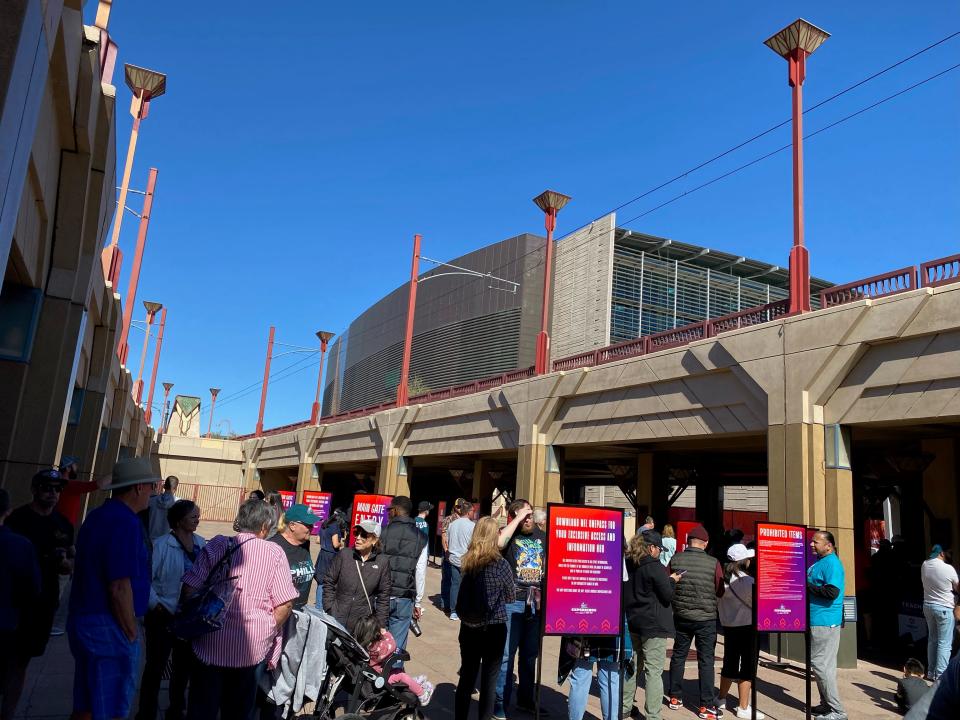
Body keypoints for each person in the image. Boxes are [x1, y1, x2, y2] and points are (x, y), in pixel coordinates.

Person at [183, 499, 298, 720]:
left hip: (209, 643)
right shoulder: (274, 553)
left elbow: (189, 588)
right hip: (252, 650)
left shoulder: (218, 544)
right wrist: (267, 629)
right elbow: (285, 604)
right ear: (265, 526)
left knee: (201, 709)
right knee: (238, 712)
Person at [67, 456, 155, 720]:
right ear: (138, 487)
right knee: (111, 706)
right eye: (151, 486)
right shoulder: (125, 522)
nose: (153, 492)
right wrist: (130, 631)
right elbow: (119, 586)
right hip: (109, 624)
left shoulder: (97, 516)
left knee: (86, 703)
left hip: (83, 618)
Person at [4, 468, 75, 716]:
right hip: (10, 602)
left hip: (41, 604)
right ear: (34, 489)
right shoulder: (16, 520)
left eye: (57, 490)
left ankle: (8, 712)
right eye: (46, 488)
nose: (52, 494)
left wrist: (65, 564)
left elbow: (69, 563)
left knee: (21, 662)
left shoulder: (63, 524)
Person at [136, 500, 206, 720]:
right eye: (193, 516)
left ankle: (176, 710)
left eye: (198, 516)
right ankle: (146, 712)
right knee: (155, 667)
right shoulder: (160, 545)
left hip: (190, 620)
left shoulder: (202, 544)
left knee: (183, 668)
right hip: (162, 616)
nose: (197, 519)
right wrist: (155, 605)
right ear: (178, 520)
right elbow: (144, 580)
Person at [454, 517, 515, 720]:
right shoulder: (501, 565)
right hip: (494, 627)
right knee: (489, 681)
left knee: (467, 678)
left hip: (469, 626)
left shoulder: (467, 560)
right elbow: (510, 596)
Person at [495, 498, 547, 719]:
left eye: (530, 515)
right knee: (507, 654)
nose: (528, 519)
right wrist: (516, 517)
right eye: (523, 515)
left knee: (529, 655)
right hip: (512, 602)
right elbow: (498, 544)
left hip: (535, 604)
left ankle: (526, 699)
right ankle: (500, 704)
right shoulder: (510, 536)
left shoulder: (543, 538)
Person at [666, 524, 724, 720]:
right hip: (706, 618)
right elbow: (720, 589)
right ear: (705, 544)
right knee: (706, 660)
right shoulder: (713, 562)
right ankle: (706, 705)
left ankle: (675, 696)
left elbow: (669, 584)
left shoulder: (676, 559)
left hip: (681, 616)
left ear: (688, 542)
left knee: (679, 655)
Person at [625, 530, 681, 720]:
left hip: (633, 621)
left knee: (632, 666)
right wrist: (672, 581)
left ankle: (624, 706)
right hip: (653, 624)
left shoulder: (628, 563)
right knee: (653, 671)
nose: (659, 552)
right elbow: (666, 595)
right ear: (651, 548)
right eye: (658, 548)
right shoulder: (655, 566)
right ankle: (653, 715)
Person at [0, 488, 41, 720]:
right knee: (13, 672)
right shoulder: (20, 545)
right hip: (9, 624)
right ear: (8, 511)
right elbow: (33, 589)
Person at [322, 519, 391, 633]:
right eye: (356, 533)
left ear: (374, 540)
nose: (358, 538)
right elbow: (329, 580)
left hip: (362, 625)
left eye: (364, 535)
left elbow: (384, 596)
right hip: (337, 618)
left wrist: (380, 624)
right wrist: (329, 607)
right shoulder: (344, 555)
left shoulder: (382, 562)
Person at [718, 544, 763, 719]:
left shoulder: (722, 581)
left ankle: (721, 698)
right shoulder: (749, 582)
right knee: (747, 667)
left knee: (729, 662)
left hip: (728, 628)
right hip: (748, 628)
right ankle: (743, 707)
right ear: (743, 561)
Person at [379, 496, 428, 653]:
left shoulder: (382, 531)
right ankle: (393, 674)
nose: (388, 513)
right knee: (397, 646)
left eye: (389, 510)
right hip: (404, 596)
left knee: (377, 641)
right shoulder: (421, 537)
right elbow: (420, 571)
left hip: (381, 594)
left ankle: (374, 674)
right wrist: (418, 602)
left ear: (395, 510)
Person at [807, 530, 847, 720]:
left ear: (828, 545)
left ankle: (837, 711)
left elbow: (832, 592)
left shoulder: (832, 563)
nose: (811, 545)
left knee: (821, 666)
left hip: (825, 621)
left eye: (815, 542)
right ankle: (826, 705)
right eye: (811, 542)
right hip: (817, 620)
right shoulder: (820, 563)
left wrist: (805, 585)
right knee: (823, 666)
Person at [354, 615, 434, 705]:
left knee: (397, 671)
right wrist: (385, 633)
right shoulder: (377, 648)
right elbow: (392, 645)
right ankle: (422, 694)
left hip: (371, 674)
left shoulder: (361, 646)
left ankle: (414, 682)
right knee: (401, 676)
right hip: (378, 677)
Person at [921, 544, 959, 681]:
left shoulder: (925, 565)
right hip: (944, 608)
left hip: (928, 606)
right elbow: (958, 587)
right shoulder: (948, 568)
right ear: (942, 553)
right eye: (948, 552)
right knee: (944, 643)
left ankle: (930, 672)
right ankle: (941, 676)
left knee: (932, 640)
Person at [270, 504, 319, 609]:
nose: (312, 527)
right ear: (292, 525)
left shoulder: (305, 543)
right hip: (280, 612)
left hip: (302, 610)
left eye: (313, 524)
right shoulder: (273, 546)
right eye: (308, 525)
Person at [447, 498, 476, 621]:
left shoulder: (452, 524)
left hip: (453, 558)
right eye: (473, 511)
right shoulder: (472, 526)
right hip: (467, 559)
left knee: (455, 585)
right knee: (467, 586)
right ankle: (464, 609)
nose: (474, 513)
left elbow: (448, 540)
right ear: (468, 512)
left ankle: (453, 611)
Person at [314, 508, 344, 609]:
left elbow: (317, 540)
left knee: (320, 580)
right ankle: (321, 607)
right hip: (331, 556)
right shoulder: (335, 527)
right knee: (328, 581)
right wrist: (341, 543)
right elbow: (335, 544)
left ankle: (318, 605)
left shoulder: (324, 525)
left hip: (322, 554)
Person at [440, 501, 463, 613]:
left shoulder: (465, 520)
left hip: (460, 555)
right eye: (459, 506)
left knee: (456, 581)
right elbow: (444, 536)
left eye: (462, 507)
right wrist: (446, 551)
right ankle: (445, 604)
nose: (460, 508)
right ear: (455, 507)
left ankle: (455, 604)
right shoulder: (448, 519)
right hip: (449, 553)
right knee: (447, 578)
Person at [146, 476, 179, 541]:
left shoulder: (151, 500)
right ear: (175, 488)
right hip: (168, 540)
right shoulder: (178, 503)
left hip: (151, 538)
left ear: (164, 486)